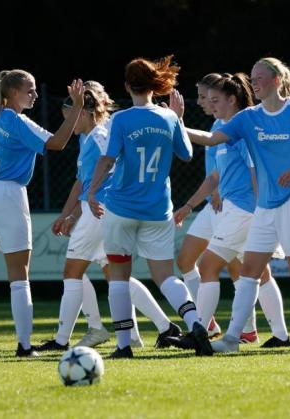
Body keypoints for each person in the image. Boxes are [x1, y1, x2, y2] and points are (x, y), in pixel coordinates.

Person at [170, 57, 290, 352]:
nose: (254, 83)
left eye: (259, 78)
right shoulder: (248, 117)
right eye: (253, 78)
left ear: (277, 80)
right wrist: (178, 122)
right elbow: (211, 139)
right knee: (248, 272)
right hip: (264, 208)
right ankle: (232, 339)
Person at [0, 70, 84, 357]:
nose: (34, 94)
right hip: (8, 194)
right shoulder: (17, 121)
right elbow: (57, 143)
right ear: (12, 94)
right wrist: (77, 109)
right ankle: (23, 345)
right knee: (19, 276)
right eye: (29, 90)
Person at [36, 82, 182, 352]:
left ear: (84, 112)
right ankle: (163, 327)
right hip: (98, 211)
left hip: (102, 212)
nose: (66, 121)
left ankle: (62, 340)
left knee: (72, 271)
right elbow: (82, 183)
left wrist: (84, 210)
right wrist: (67, 214)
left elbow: (111, 173)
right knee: (114, 276)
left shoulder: (102, 136)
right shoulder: (87, 138)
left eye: (69, 115)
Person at [88, 55, 213, 358]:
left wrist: (92, 192)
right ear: (153, 86)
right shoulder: (168, 117)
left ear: (128, 85)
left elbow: (107, 159)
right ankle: (196, 323)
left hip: (122, 208)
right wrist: (179, 119)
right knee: (165, 276)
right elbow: (186, 155)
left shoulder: (121, 119)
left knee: (118, 276)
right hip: (159, 210)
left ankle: (123, 346)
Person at [174, 73, 290, 351]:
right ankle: (280, 335)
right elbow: (215, 175)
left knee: (208, 266)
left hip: (244, 211)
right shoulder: (224, 127)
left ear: (232, 99)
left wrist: (264, 210)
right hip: (234, 211)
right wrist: (189, 205)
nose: (210, 104)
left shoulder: (242, 130)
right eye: (208, 99)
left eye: (215, 100)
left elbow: (255, 171)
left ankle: (201, 330)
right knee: (258, 274)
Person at [175, 73, 224, 338]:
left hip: (230, 206)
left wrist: (218, 190)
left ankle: (255, 330)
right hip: (212, 205)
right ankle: (208, 326)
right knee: (185, 261)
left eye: (205, 96)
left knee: (250, 273)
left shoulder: (235, 123)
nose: (201, 102)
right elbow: (213, 174)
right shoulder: (217, 123)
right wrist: (189, 205)